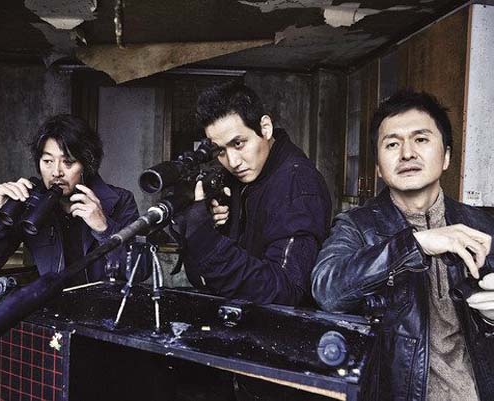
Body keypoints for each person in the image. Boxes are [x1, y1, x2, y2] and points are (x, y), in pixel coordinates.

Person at [312, 90, 494, 401]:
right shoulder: (356, 226)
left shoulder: (481, 225)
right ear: (379, 167)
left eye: (421, 139)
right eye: (392, 144)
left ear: (447, 157)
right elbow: (326, 289)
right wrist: (415, 244)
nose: (407, 153)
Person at [175, 81, 332, 306]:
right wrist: (205, 229)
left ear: (265, 128)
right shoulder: (241, 178)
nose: (233, 162)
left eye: (238, 143)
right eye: (220, 151)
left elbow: (287, 289)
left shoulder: (297, 183)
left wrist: (207, 242)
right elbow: (207, 281)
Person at [0, 114, 148, 284]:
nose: (56, 172)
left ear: (86, 164)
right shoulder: (31, 203)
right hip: (53, 305)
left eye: (68, 162)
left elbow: (140, 271)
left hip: (105, 305)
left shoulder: (120, 200)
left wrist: (105, 229)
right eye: (48, 161)